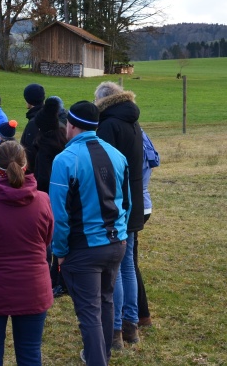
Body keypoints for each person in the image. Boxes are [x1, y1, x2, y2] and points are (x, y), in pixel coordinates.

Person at [50, 101, 129, 366]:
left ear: (70, 126)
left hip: (84, 248)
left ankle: (97, 360)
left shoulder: (64, 160)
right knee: (105, 302)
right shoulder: (117, 156)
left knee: (89, 312)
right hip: (116, 242)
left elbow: (58, 215)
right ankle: (102, 355)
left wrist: (58, 253)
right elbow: (126, 202)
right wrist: (122, 234)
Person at [0, 141, 53, 366]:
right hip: (33, 287)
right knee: (30, 353)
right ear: (25, 166)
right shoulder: (43, 201)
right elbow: (47, 240)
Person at [94, 81, 144, 348]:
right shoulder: (132, 121)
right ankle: (131, 326)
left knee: (116, 267)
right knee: (128, 265)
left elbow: (105, 169)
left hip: (118, 202)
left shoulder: (109, 126)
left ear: (102, 101)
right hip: (133, 198)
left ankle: (114, 331)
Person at [33, 98, 68, 298]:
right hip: (53, 195)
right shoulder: (59, 139)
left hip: (49, 196)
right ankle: (56, 276)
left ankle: (57, 278)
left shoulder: (47, 146)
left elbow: (45, 176)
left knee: (54, 239)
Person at [137, 129, 159, 328]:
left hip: (135, 203)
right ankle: (141, 316)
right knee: (128, 263)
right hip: (144, 203)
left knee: (125, 265)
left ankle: (138, 315)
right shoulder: (140, 133)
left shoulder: (119, 131)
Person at [20, 83, 46, 173]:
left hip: (35, 176)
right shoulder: (49, 117)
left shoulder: (34, 123)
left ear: (28, 100)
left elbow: (30, 153)